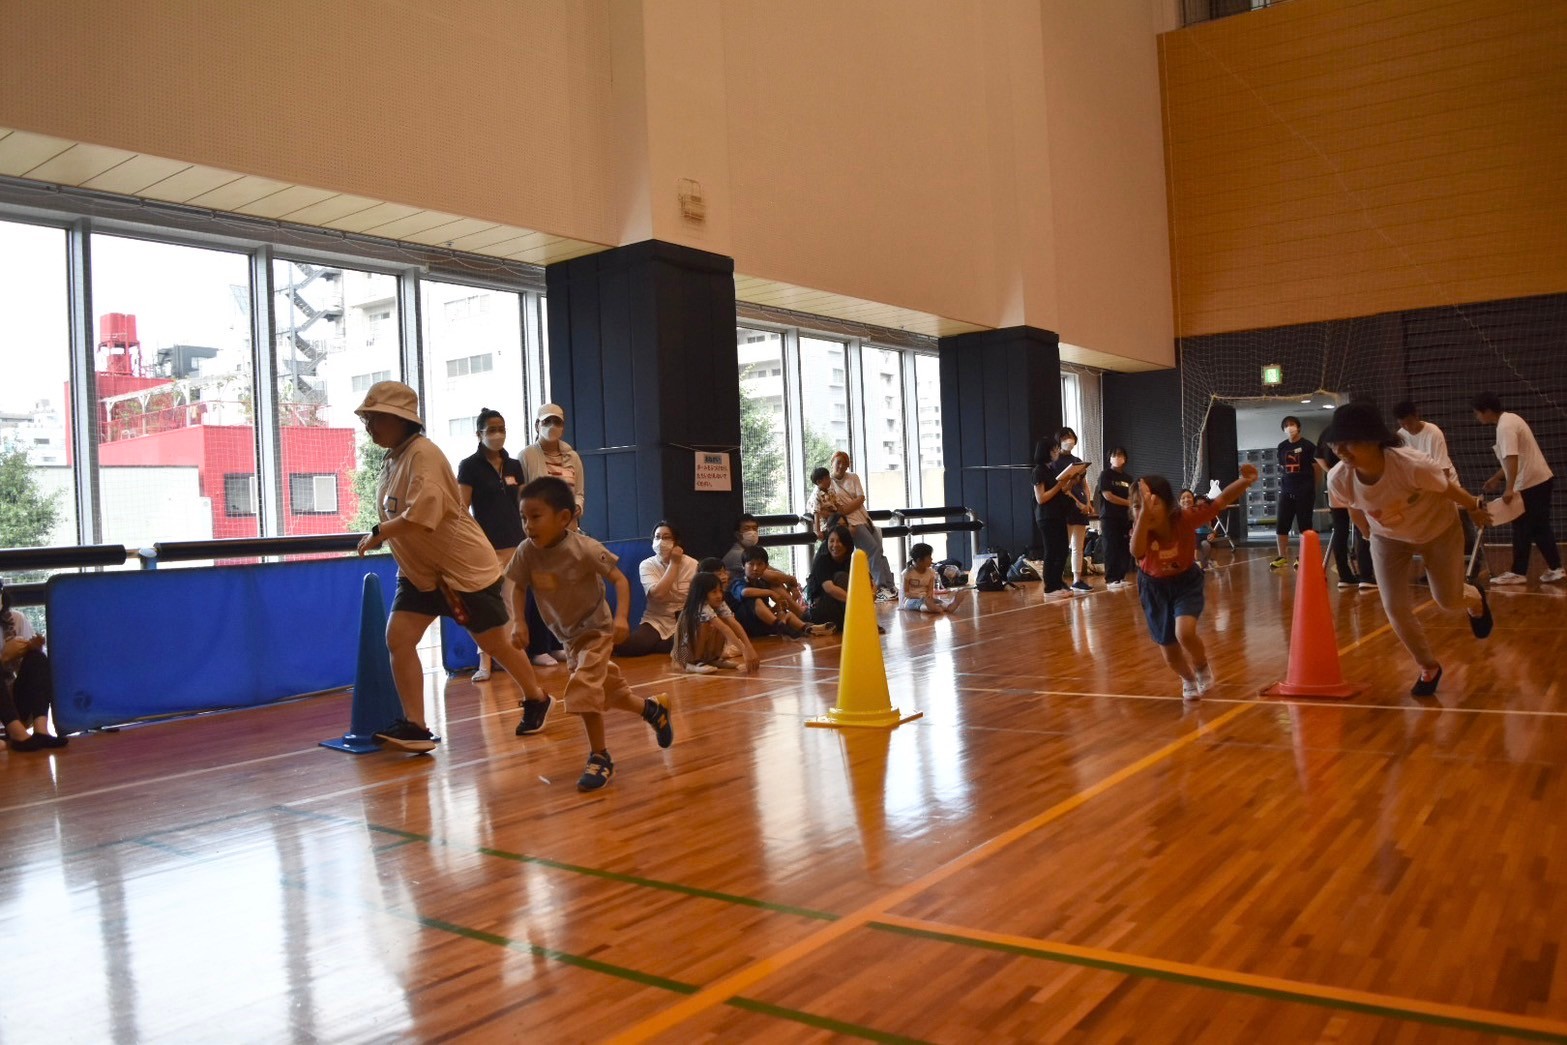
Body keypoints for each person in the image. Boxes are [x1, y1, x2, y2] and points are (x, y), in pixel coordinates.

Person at [353, 381, 551, 753]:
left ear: (400, 420)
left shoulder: (423, 454)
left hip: (461, 568)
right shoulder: (392, 458)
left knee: (494, 642)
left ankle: (537, 698)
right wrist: (385, 532)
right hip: (420, 572)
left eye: (376, 418)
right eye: (367, 419)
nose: (370, 426)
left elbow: (423, 513)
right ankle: (416, 726)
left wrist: (379, 532)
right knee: (398, 638)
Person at [506, 476, 673, 791]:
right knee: (611, 693)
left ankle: (600, 757)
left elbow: (620, 581)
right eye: (524, 518)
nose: (528, 525)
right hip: (568, 637)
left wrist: (622, 619)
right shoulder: (526, 552)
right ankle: (653, 710)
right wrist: (519, 622)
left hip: (595, 629)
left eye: (536, 517)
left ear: (564, 518)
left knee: (583, 689)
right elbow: (516, 585)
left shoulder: (584, 548)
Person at [1326, 401, 1494, 696]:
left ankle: (1474, 598)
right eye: (1336, 442)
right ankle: (1428, 667)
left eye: (1349, 441)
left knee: (1448, 599)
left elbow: (1447, 489)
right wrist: (1368, 534)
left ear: (1373, 439)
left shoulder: (1412, 464)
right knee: (1394, 607)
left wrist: (1474, 506)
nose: (1340, 449)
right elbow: (1352, 506)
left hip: (1439, 531)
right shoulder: (1338, 478)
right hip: (1388, 538)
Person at [1132, 465, 1258, 700]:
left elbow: (1221, 500)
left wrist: (1245, 480)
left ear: (1169, 505)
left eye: (1151, 504)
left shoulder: (1185, 517)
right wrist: (1142, 517)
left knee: (1185, 633)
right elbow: (1136, 551)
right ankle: (1188, 678)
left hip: (1185, 582)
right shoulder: (1141, 530)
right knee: (1169, 650)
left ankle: (1201, 667)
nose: (1144, 511)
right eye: (1137, 506)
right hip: (1154, 588)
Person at [457, 407, 526, 682]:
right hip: (484, 547)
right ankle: (484, 661)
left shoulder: (514, 466)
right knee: (486, 605)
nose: (498, 434)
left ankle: (514, 658)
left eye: (502, 429)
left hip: (515, 543)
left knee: (511, 600)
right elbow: (462, 508)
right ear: (479, 433)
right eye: (492, 430)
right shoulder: (469, 466)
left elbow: (522, 502)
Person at [1471, 392, 1564, 585]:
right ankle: (1554, 568)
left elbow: (1512, 458)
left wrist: (1509, 489)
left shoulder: (1505, 427)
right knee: (1535, 527)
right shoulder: (1510, 419)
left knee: (1526, 526)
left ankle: (1520, 572)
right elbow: (1513, 459)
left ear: (1487, 411)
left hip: (1532, 483)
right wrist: (1497, 477)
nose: (1477, 417)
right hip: (1538, 481)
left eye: (1478, 413)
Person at [517, 403, 584, 666]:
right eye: (546, 423)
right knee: (540, 588)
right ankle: (538, 647)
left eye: (557, 422)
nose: (552, 427)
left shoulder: (573, 457)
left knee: (563, 589)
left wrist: (576, 508)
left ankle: (558, 643)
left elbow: (579, 491)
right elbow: (524, 494)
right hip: (540, 534)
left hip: (568, 530)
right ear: (537, 426)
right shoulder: (527, 456)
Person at [613, 521, 697, 657]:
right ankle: (663, 645)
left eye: (666, 537)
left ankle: (664, 645)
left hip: (683, 619)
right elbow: (658, 594)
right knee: (630, 647)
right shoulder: (647, 565)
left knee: (692, 642)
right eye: (657, 537)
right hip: (656, 619)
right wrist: (674, 564)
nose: (661, 541)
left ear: (676, 542)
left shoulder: (692, 564)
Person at [1, 579, 66, 751]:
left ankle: (41, 731)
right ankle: (18, 736)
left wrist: (31, 647)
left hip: (13, 700)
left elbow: (26, 670)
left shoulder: (14, 620)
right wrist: (3, 657)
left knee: (37, 658)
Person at [826, 451, 898, 598]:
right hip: (852, 523)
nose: (840, 466)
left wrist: (845, 508)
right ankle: (880, 587)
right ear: (832, 462)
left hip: (865, 519)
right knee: (872, 550)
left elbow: (861, 498)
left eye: (844, 463)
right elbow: (829, 507)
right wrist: (849, 507)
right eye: (838, 462)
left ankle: (890, 586)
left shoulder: (853, 477)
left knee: (879, 551)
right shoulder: (828, 483)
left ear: (848, 466)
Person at [671, 572, 759, 675]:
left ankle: (713, 658)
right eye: (714, 592)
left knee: (723, 619)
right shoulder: (700, 606)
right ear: (702, 594)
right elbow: (724, 629)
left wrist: (749, 647)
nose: (719, 595)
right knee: (705, 624)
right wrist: (744, 651)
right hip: (684, 654)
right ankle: (694, 662)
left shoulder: (720, 603)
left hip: (701, 650)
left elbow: (733, 623)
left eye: (720, 591)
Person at [732, 546, 828, 639]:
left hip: (760, 625)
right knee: (755, 600)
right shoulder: (739, 581)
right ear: (743, 565)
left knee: (788, 615)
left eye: (759, 564)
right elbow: (744, 592)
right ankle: (782, 627)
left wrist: (776, 608)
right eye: (751, 564)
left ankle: (809, 628)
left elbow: (763, 612)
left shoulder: (761, 583)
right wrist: (770, 593)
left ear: (766, 566)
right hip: (745, 626)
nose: (755, 568)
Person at [1033, 436, 1084, 603]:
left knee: (1062, 550)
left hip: (1059, 514)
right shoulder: (1039, 470)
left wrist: (1072, 480)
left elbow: (1062, 490)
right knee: (1051, 551)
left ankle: (1058, 582)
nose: (1056, 452)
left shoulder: (1053, 469)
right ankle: (1049, 587)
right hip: (1046, 517)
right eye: (1053, 450)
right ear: (1046, 452)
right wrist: (1059, 485)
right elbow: (1041, 498)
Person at [1318, 443, 1377, 590]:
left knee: (1340, 530)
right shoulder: (1338, 474)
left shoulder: (1328, 434)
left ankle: (1345, 576)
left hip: (1338, 481)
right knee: (1359, 529)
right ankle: (1365, 575)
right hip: (1343, 482)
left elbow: (1317, 456)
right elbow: (1354, 511)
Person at [1271, 415, 1323, 570]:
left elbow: (1317, 468)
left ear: (1298, 427)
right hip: (1287, 490)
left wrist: (1315, 487)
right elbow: (1283, 467)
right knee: (1282, 524)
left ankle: (1303, 556)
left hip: (1305, 490)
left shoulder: (1308, 446)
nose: (1289, 427)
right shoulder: (1282, 446)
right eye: (1286, 425)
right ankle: (1282, 556)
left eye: (1292, 424)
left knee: (1304, 525)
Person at [1056, 427, 1095, 592]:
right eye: (1065, 437)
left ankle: (1077, 579)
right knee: (1063, 546)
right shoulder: (1056, 462)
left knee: (1079, 546)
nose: (1069, 441)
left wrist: (1087, 501)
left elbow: (1084, 484)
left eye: (1071, 437)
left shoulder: (1078, 460)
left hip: (1081, 508)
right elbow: (1063, 486)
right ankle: (1058, 579)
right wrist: (1077, 501)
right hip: (1066, 507)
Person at [805, 524, 857, 630]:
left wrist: (870, 594)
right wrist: (855, 601)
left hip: (841, 606)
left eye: (839, 541)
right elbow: (830, 589)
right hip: (821, 608)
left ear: (847, 543)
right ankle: (856, 621)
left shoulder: (852, 561)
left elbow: (870, 582)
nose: (835, 545)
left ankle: (856, 621)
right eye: (831, 541)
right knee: (841, 577)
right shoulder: (822, 560)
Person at [1097, 447, 1134, 589]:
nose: (1117, 457)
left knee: (1124, 547)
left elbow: (1131, 496)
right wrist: (1128, 503)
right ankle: (1111, 578)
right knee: (1111, 547)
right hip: (1110, 517)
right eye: (1114, 455)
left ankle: (1121, 576)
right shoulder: (1106, 475)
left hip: (1125, 517)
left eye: (1120, 455)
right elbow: (1108, 496)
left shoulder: (1128, 478)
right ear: (1110, 458)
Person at [900, 542, 965, 614]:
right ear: (919, 560)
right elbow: (906, 593)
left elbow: (930, 590)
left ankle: (949, 606)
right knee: (918, 604)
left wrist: (929, 597)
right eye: (929, 557)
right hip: (910, 600)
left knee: (937, 601)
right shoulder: (908, 573)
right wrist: (920, 596)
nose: (931, 559)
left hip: (926, 599)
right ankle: (930, 608)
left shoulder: (931, 572)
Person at [1177, 490, 1215, 571]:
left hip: (1197, 540)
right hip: (1181, 547)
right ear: (1179, 501)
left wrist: (1213, 534)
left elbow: (1209, 527)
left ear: (1193, 500)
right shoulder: (1176, 515)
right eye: (1183, 498)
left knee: (1206, 544)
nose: (1186, 500)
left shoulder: (1199, 513)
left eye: (1189, 497)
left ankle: (1204, 563)